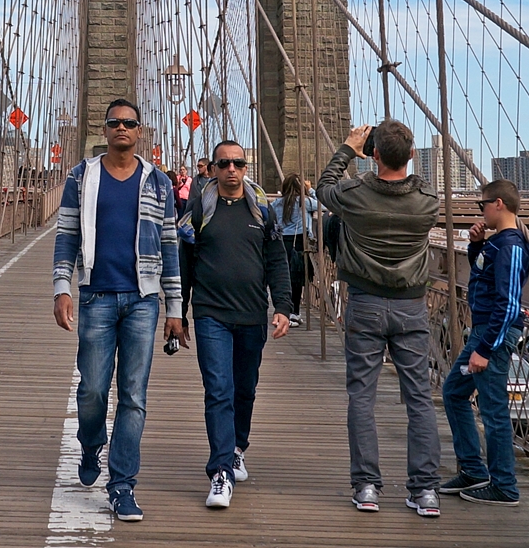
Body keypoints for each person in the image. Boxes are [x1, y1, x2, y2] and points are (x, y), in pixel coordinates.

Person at [52, 100, 183, 522]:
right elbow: (67, 234)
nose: (122, 128)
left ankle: (123, 485)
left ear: (140, 131)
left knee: (133, 397)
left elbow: (169, 246)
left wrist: (175, 308)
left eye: (129, 123)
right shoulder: (81, 176)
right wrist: (61, 288)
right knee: (92, 389)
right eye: (114, 122)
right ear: (105, 130)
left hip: (143, 301)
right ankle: (91, 442)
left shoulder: (158, 182)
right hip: (96, 296)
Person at [316, 119, 442, 518]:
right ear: (411, 155)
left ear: (372, 155)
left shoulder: (354, 196)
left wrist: (347, 148)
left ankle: (367, 487)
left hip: (366, 304)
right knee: (420, 399)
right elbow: (412, 184)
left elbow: (323, 189)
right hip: (411, 307)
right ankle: (425, 492)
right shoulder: (428, 202)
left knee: (362, 397)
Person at [179, 140, 291, 509]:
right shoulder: (198, 210)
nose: (231, 169)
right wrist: (177, 313)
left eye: (238, 163)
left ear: (245, 168)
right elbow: (183, 263)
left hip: (252, 314)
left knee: (245, 388)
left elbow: (277, 260)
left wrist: (283, 307)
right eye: (223, 163)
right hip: (211, 313)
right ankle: (221, 470)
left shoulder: (262, 210)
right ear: (211, 168)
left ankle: (237, 446)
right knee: (219, 389)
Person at [442, 178, 529, 506]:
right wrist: (476, 245)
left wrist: (484, 349)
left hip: (492, 336)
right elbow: (483, 276)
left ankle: (504, 486)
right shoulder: (498, 243)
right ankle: (473, 470)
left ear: (499, 204)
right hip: (484, 332)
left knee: (493, 409)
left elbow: (509, 302)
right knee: (454, 392)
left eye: (482, 204)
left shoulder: (511, 246)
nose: (480, 209)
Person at [268, 173, 320, 326]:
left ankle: (282, 309)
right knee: (296, 279)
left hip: (281, 241)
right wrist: (310, 190)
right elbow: (322, 206)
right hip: (299, 242)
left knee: (283, 277)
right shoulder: (304, 201)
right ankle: (294, 313)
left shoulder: (277, 203)